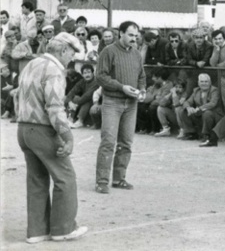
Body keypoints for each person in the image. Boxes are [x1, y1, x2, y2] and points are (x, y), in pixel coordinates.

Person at [16, 32, 88, 243]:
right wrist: (67, 136)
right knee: (65, 177)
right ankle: (63, 229)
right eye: (72, 53)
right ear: (63, 50)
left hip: (23, 128)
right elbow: (55, 107)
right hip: (42, 129)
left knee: (37, 179)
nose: (72, 58)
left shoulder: (32, 63)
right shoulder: (55, 70)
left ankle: (37, 231)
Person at [95, 21, 146, 194]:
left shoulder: (137, 54)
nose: (134, 38)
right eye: (130, 35)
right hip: (112, 102)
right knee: (108, 142)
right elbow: (101, 76)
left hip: (131, 104)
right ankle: (102, 181)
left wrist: (143, 90)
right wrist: (121, 87)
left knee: (126, 142)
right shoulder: (108, 52)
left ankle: (119, 178)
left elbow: (141, 76)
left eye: (136, 35)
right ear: (121, 33)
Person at [178, 73, 223, 145]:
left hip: (214, 116)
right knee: (184, 111)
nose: (204, 83)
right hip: (201, 115)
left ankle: (206, 135)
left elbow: (212, 104)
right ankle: (191, 133)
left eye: (206, 81)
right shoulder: (196, 91)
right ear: (198, 83)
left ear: (210, 82)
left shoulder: (214, 90)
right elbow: (187, 102)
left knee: (207, 113)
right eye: (202, 81)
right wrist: (188, 108)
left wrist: (199, 108)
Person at [65, 63, 100, 129]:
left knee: (87, 100)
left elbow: (87, 96)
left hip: (93, 107)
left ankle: (80, 121)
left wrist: (75, 104)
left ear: (93, 73)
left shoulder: (96, 82)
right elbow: (72, 92)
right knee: (75, 97)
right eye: (85, 73)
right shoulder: (82, 82)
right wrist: (70, 102)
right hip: (83, 107)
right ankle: (70, 119)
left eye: (89, 72)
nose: (87, 75)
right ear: (82, 75)